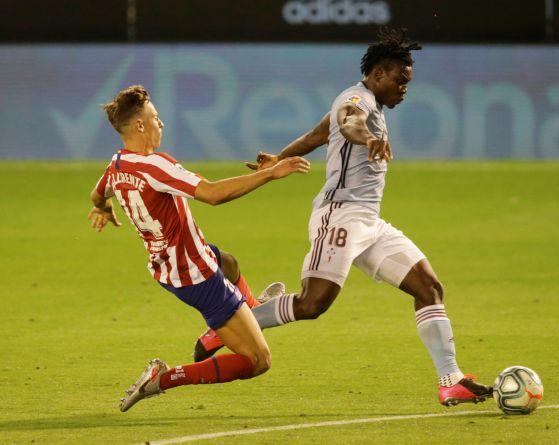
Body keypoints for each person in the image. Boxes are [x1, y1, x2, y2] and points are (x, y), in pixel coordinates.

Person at [194, 28, 492, 407]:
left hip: (369, 221)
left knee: (429, 288)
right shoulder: (357, 101)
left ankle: (451, 380)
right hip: (338, 217)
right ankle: (231, 325)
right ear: (380, 73)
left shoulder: (367, 104)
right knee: (312, 304)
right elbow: (349, 124)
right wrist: (368, 138)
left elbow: (320, 133)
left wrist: (280, 157)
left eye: (408, 83)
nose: (405, 88)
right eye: (401, 80)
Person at [87, 85, 310, 412]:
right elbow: (212, 194)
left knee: (229, 264)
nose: (161, 124)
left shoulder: (118, 165)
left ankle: (241, 314)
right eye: (155, 117)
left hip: (168, 267)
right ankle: (162, 378)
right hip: (197, 275)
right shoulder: (155, 166)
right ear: (139, 126)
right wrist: (273, 174)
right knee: (258, 360)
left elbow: (97, 193)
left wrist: (103, 208)